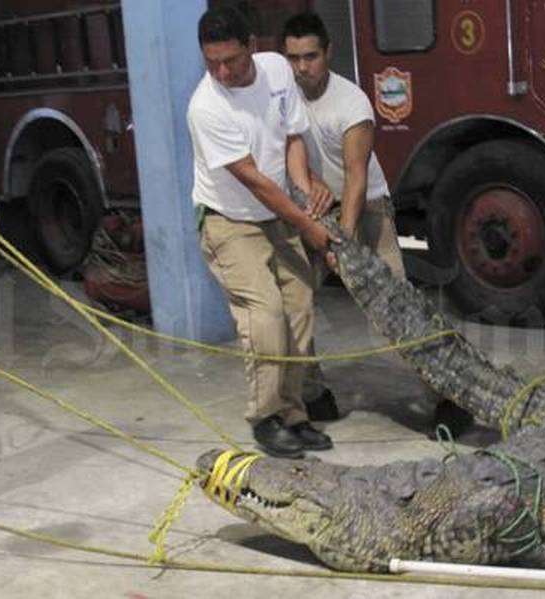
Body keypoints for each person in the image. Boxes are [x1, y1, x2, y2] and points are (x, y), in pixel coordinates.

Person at [189, 8, 337, 458]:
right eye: (211, 62)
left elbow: (291, 138)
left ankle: (294, 415)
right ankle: (265, 418)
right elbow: (254, 180)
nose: (222, 71)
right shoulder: (206, 107)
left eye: (230, 60)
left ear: (250, 44)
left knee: (299, 309)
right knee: (267, 314)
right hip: (229, 222)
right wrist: (307, 223)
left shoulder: (275, 69)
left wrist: (306, 187)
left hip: (277, 214)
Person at [281, 12, 408, 422]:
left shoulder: (352, 101)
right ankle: (315, 395)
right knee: (291, 305)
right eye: (294, 58)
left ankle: (445, 400)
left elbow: (356, 176)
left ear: (329, 52)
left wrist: (344, 238)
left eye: (311, 57)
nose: (303, 68)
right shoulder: (285, 97)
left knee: (396, 309)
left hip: (364, 208)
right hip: (312, 210)